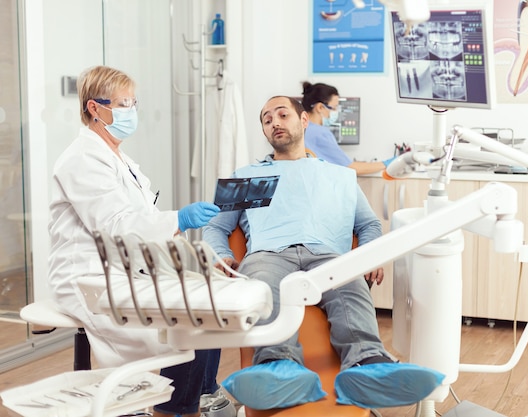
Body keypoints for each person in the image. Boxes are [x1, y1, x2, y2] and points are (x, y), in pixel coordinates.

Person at [202, 96, 443, 410]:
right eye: (266, 119)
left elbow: (368, 224)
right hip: (269, 255)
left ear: (303, 121)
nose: (274, 122)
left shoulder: (338, 175)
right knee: (262, 285)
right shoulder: (249, 175)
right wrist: (222, 255)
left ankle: (366, 364)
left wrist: (368, 256)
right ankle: (279, 367)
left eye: (282, 114)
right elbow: (215, 227)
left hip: (328, 257)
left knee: (351, 285)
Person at [48, 65, 230, 417]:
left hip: (127, 268)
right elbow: (116, 226)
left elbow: (140, 223)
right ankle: (178, 409)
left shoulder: (121, 160)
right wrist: (179, 219)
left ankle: (197, 398)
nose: (131, 111)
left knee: (210, 309)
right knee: (190, 324)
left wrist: (189, 253)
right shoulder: (82, 158)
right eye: (123, 103)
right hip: (89, 277)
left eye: (133, 102)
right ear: (94, 108)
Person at [301, 81, 396, 175]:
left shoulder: (299, 129)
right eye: (334, 108)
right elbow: (350, 168)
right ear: (320, 108)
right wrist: (386, 163)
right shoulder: (320, 133)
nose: (336, 112)